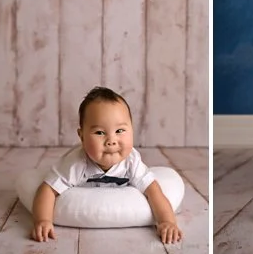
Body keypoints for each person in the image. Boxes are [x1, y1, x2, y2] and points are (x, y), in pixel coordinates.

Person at [30, 86, 182, 244]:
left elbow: (154, 192)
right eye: (99, 133)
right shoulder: (75, 163)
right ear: (81, 136)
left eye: (120, 130)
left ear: (132, 130)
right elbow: (47, 190)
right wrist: (43, 220)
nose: (111, 140)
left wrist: (167, 222)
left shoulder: (131, 161)